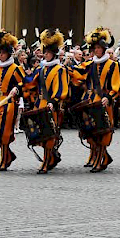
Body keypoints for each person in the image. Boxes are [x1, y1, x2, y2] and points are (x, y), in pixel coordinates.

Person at [69, 27, 120, 173]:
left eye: (99, 48)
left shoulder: (113, 65)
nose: (96, 50)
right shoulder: (90, 64)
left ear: (104, 49)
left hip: (104, 101)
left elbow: (116, 85)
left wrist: (109, 97)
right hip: (90, 100)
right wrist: (66, 69)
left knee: (102, 131)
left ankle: (101, 157)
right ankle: (101, 156)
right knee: (90, 130)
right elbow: (78, 74)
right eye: (95, 48)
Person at [25, 29, 70, 174]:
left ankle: (47, 160)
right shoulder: (41, 69)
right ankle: (50, 158)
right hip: (40, 104)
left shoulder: (59, 69)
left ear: (54, 54)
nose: (45, 55)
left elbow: (61, 88)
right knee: (41, 134)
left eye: (48, 53)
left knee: (49, 135)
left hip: (51, 105)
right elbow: (32, 83)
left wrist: (55, 101)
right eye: (45, 52)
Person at [0, 30, 25, 171]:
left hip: (9, 102)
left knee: (4, 133)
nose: (0, 55)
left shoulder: (15, 68)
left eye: (3, 53)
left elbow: (24, 83)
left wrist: (17, 89)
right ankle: (8, 154)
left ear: (8, 54)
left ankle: (4, 160)